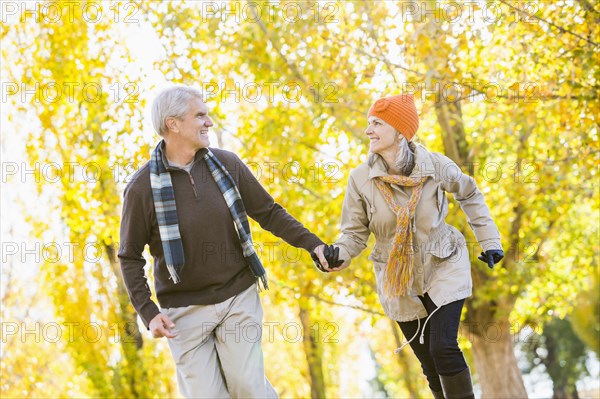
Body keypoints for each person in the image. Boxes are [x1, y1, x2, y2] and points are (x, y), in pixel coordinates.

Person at [118, 85, 338, 398]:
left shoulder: (227, 165)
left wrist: (313, 244)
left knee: (248, 386)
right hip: (183, 310)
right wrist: (148, 311)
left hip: (237, 294)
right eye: (200, 115)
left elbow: (269, 213)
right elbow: (129, 256)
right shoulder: (141, 189)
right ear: (173, 124)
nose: (209, 122)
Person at [321, 94, 504, 399]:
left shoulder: (435, 165)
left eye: (377, 123)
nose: (368, 130)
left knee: (442, 347)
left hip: (443, 263)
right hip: (398, 279)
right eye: (369, 123)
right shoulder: (360, 180)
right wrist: (337, 254)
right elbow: (353, 235)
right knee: (430, 364)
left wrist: (490, 241)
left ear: (400, 131)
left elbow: (470, 194)